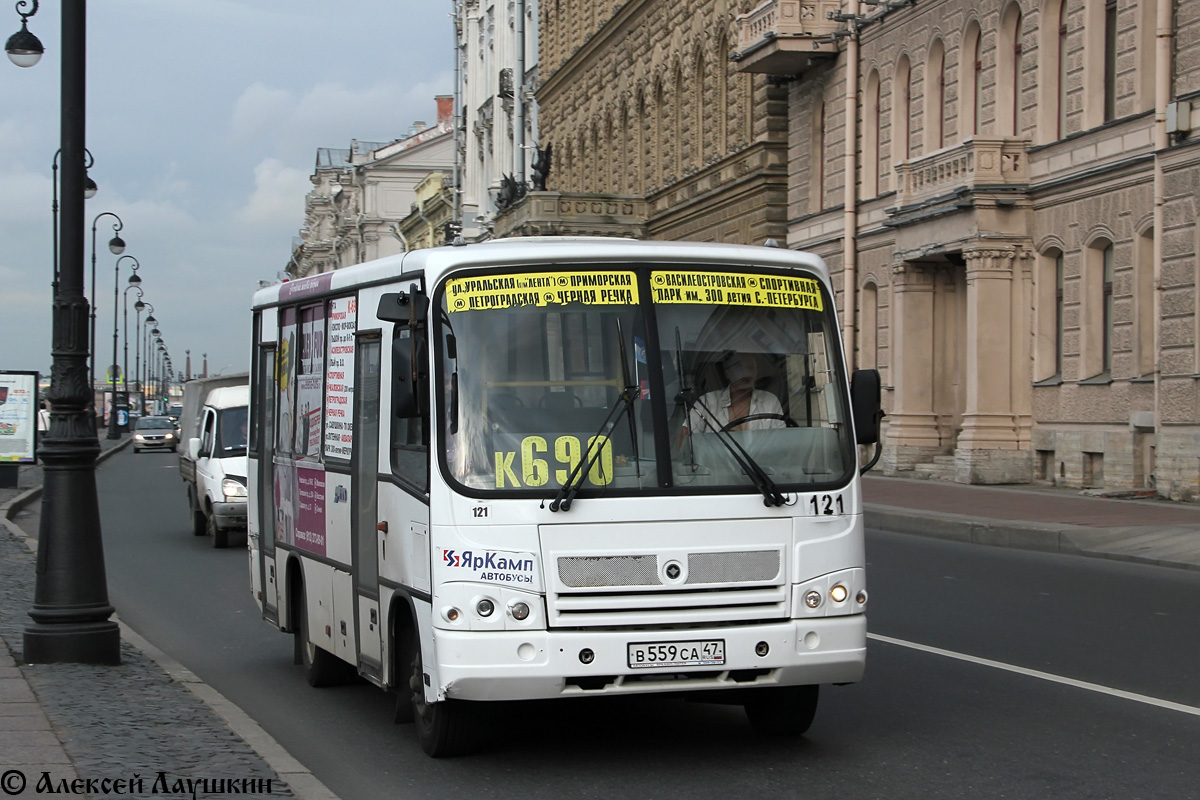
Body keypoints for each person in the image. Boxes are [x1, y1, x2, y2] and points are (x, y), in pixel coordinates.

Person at [684, 351, 785, 434]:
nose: (747, 374)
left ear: (756, 371)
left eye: (750, 368)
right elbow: (685, 437)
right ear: (727, 372)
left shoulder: (770, 402)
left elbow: (781, 441)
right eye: (739, 368)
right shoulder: (707, 402)